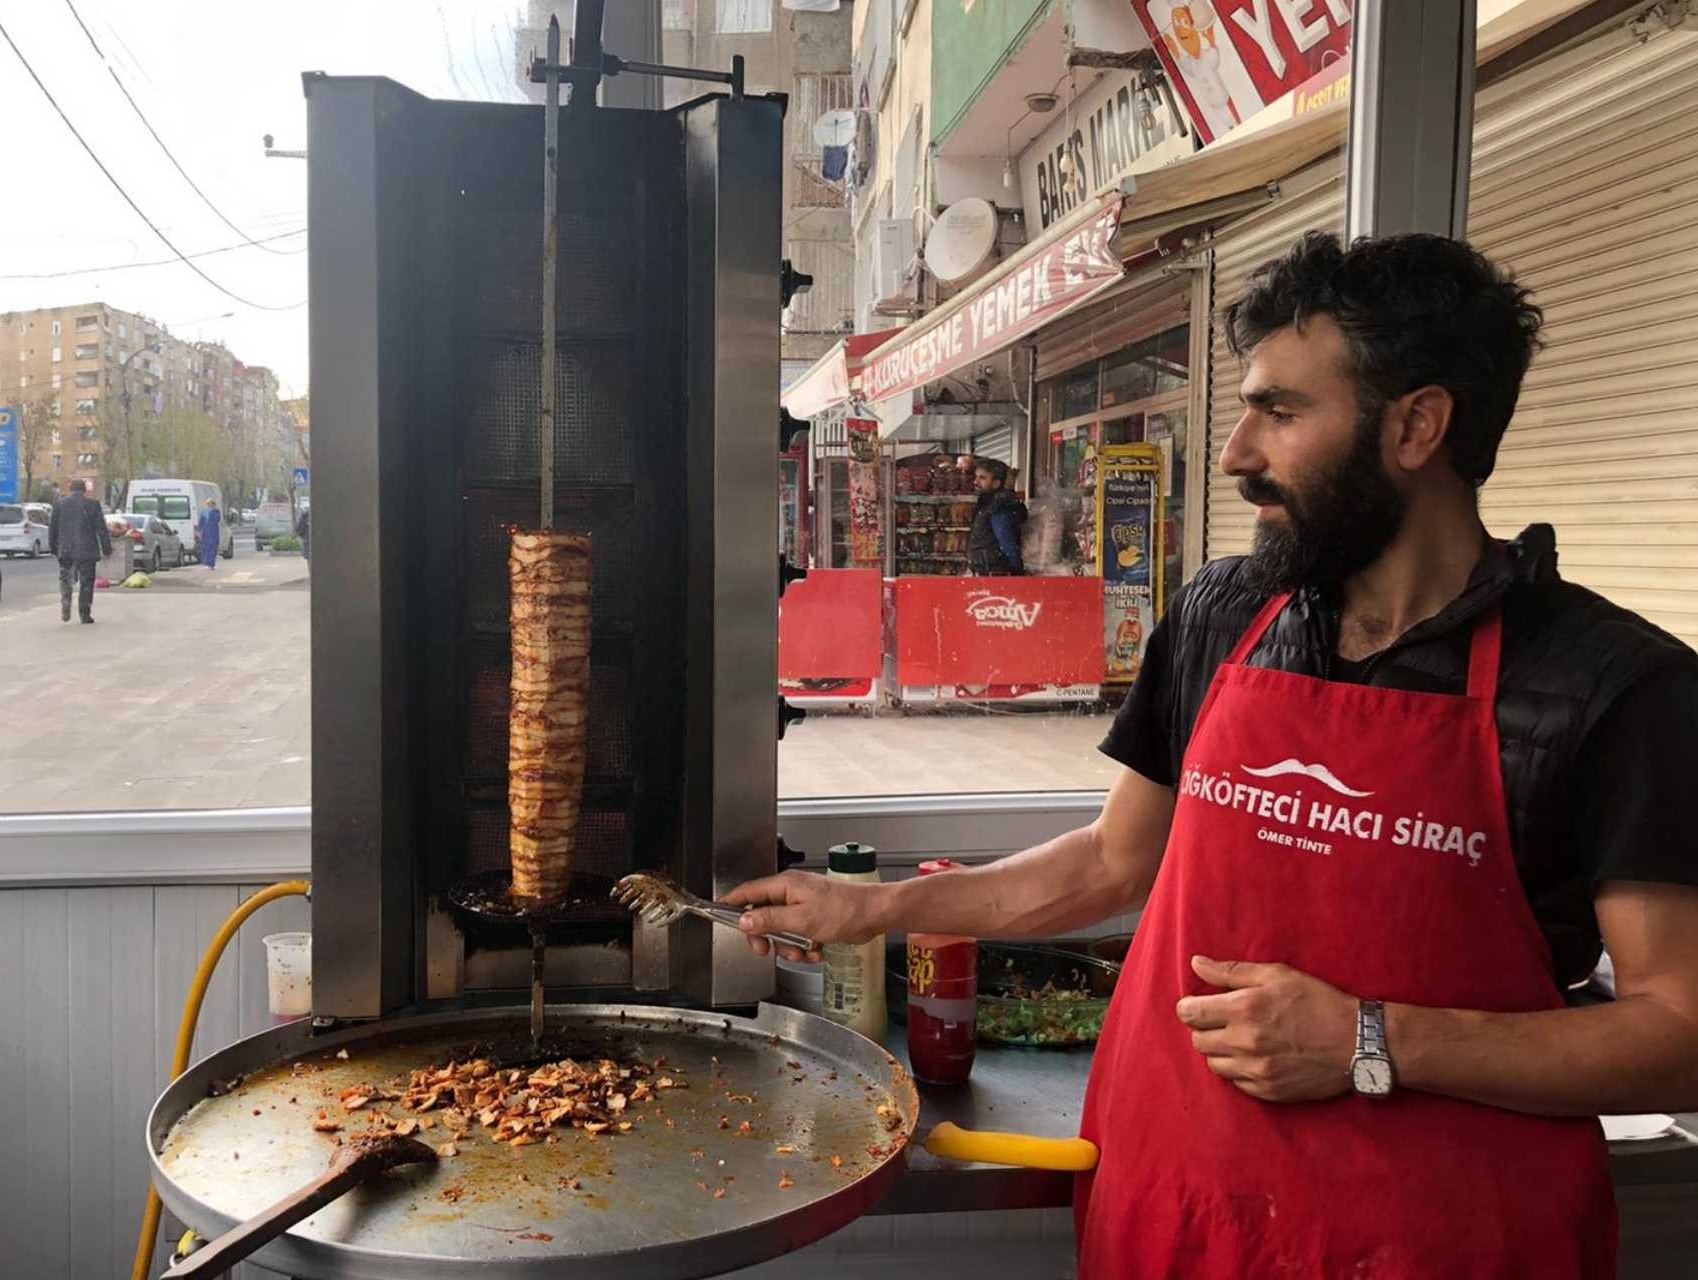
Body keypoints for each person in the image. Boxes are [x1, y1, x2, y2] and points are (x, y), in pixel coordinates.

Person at [727, 233, 1698, 1277]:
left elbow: (1677, 1030)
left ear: (1418, 425)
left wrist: (1371, 1040)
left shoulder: (1611, 686)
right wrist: (865, 907)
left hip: (1435, 1241)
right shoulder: (1223, 612)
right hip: (1179, 1215)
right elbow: (1111, 861)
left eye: (1280, 412)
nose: (1234, 453)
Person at [48, 479, 112, 625]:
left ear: (70, 489)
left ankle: (66, 602)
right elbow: (101, 529)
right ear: (84, 490)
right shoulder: (93, 505)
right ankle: (84, 613)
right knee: (86, 583)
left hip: (66, 551)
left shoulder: (60, 505)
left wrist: (53, 548)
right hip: (87, 551)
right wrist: (107, 548)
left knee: (65, 579)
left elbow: (53, 529)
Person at [966, 457, 1027, 575]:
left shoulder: (998, 507)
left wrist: (1016, 569)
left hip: (994, 572)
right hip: (988, 569)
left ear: (996, 483)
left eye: (982, 478)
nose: (975, 482)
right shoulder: (988, 503)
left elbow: (1006, 539)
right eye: (976, 477)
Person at [198, 497, 223, 570]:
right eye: (208, 504)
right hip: (206, 533)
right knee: (206, 548)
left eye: (210, 504)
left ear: (213, 504)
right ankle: (208, 562)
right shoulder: (204, 512)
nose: (209, 505)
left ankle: (211, 563)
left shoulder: (216, 512)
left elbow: (217, 519)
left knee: (213, 548)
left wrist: (213, 510)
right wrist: (199, 531)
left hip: (213, 533)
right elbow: (201, 522)